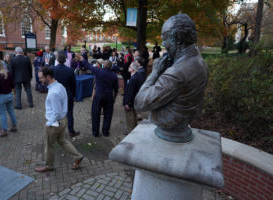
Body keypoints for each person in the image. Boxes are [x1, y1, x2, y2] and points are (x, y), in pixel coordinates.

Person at [134, 14, 208, 142]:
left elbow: (139, 103)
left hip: (171, 126)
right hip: (184, 122)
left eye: (165, 39)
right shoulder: (200, 61)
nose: (163, 44)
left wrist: (155, 72)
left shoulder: (176, 73)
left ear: (177, 38)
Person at [35, 67, 83, 172]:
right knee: (62, 141)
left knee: (48, 145)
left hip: (55, 123)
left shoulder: (53, 93)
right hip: (62, 120)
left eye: (41, 78)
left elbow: (56, 111)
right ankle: (78, 156)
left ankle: (48, 165)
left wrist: (49, 123)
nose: (40, 80)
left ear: (48, 77)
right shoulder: (59, 85)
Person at [80, 58, 118, 137]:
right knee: (108, 115)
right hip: (109, 96)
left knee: (95, 114)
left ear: (104, 65)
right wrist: (114, 98)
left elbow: (89, 66)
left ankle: (95, 132)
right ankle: (105, 132)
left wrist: (83, 60)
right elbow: (116, 89)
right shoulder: (114, 75)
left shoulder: (99, 71)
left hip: (99, 95)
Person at [52, 51, 80, 137]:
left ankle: (57, 132)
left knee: (57, 113)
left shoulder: (53, 69)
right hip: (68, 95)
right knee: (70, 113)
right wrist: (74, 95)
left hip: (57, 95)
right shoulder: (70, 71)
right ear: (65, 60)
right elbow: (73, 85)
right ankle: (71, 131)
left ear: (57, 59)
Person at [0, 58, 17, 137]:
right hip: (9, 95)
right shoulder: (7, 73)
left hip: (1, 97)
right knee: (11, 111)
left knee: (2, 114)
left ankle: (4, 130)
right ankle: (14, 126)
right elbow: (12, 85)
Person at [123, 62, 144, 135]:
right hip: (135, 100)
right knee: (134, 116)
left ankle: (130, 131)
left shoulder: (133, 79)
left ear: (133, 69)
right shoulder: (138, 76)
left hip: (131, 101)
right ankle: (134, 129)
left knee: (130, 117)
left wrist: (127, 103)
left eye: (130, 67)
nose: (129, 67)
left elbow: (131, 93)